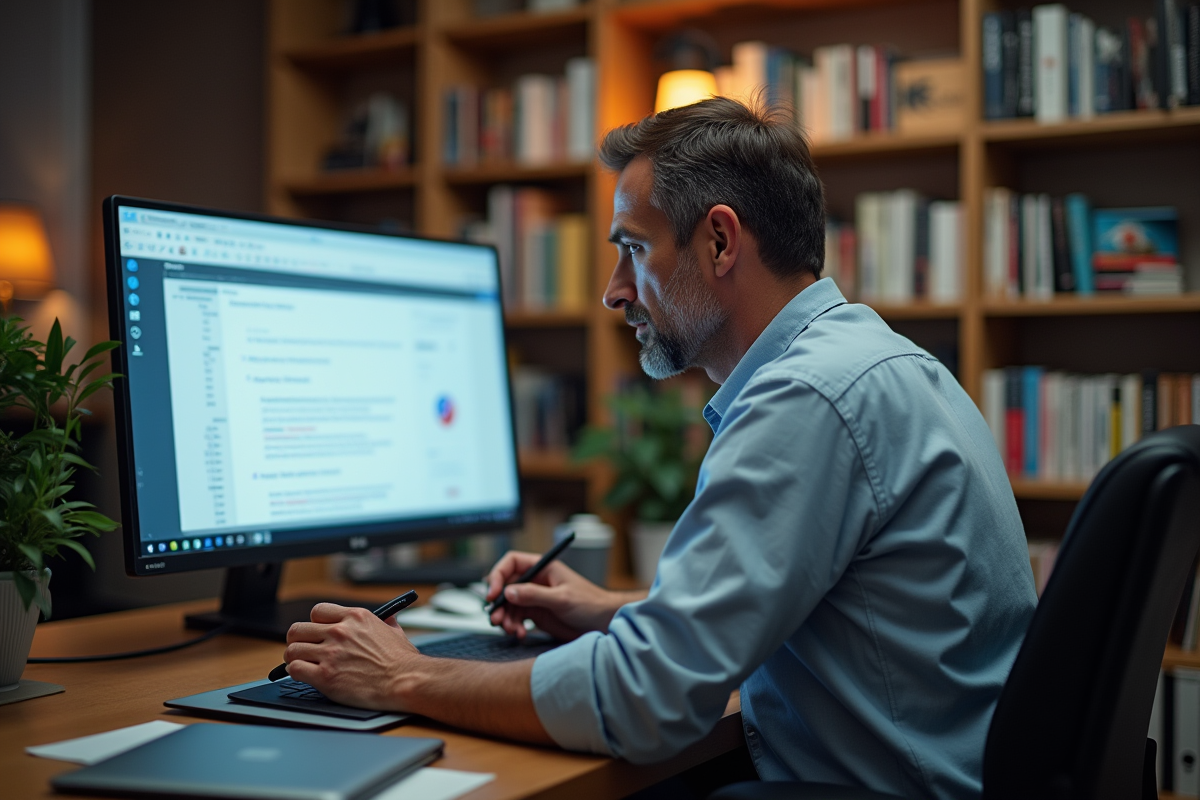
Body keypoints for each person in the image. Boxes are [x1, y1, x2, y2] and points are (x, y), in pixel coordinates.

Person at [282, 98, 1037, 800]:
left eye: (632, 249)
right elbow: (817, 605)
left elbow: (645, 702)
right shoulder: (878, 363)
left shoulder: (807, 399)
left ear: (718, 240)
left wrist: (404, 676)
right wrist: (612, 611)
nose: (614, 292)